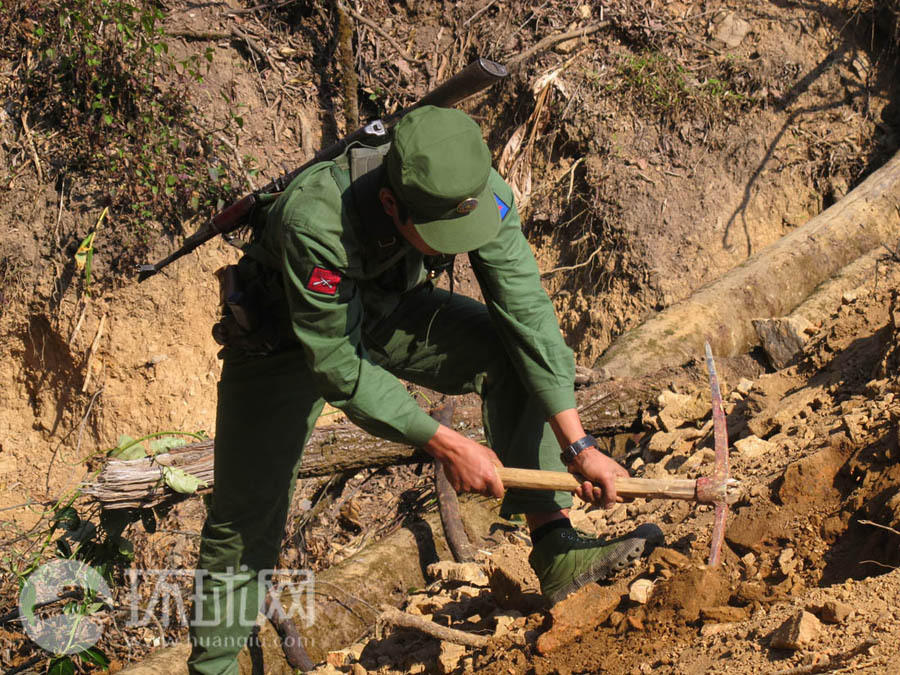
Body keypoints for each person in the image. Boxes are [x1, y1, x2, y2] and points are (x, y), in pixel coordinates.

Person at [187, 105, 662, 674]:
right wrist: (446, 443)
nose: (453, 244)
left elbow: (527, 315)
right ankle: (212, 668)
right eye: (440, 236)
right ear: (391, 204)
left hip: (390, 308)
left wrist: (579, 445)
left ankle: (556, 548)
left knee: (507, 354)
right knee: (245, 520)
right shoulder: (315, 219)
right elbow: (338, 365)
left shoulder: (477, 185)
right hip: (284, 340)